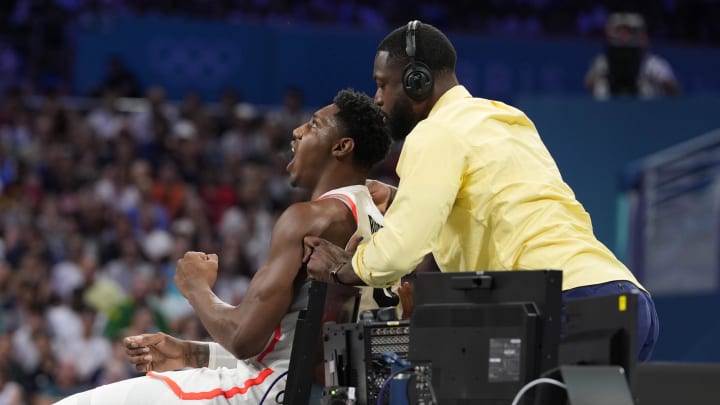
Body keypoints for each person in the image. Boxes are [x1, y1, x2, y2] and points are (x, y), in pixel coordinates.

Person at [303, 20, 659, 361]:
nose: (378, 98)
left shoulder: (435, 132)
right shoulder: (504, 119)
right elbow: (493, 202)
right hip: (620, 298)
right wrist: (402, 198)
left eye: (384, 84)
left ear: (416, 82)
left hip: (564, 303)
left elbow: (399, 252)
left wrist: (343, 269)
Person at [54, 88, 392, 404]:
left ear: (341, 147)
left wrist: (196, 288)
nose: (298, 131)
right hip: (306, 387)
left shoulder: (310, 218)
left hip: (263, 390)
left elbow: (244, 339)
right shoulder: (379, 224)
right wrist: (189, 354)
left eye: (314, 125)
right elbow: (294, 348)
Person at [585, 12, 680, 100]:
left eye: (632, 33)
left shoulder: (655, 64)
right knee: (601, 86)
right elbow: (589, 86)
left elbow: (675, 92)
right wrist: (600, 76)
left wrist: (662, 82)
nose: (626, 38)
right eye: (620, 32)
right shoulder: (601, 62)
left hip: (645, 112)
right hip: (608, 111)